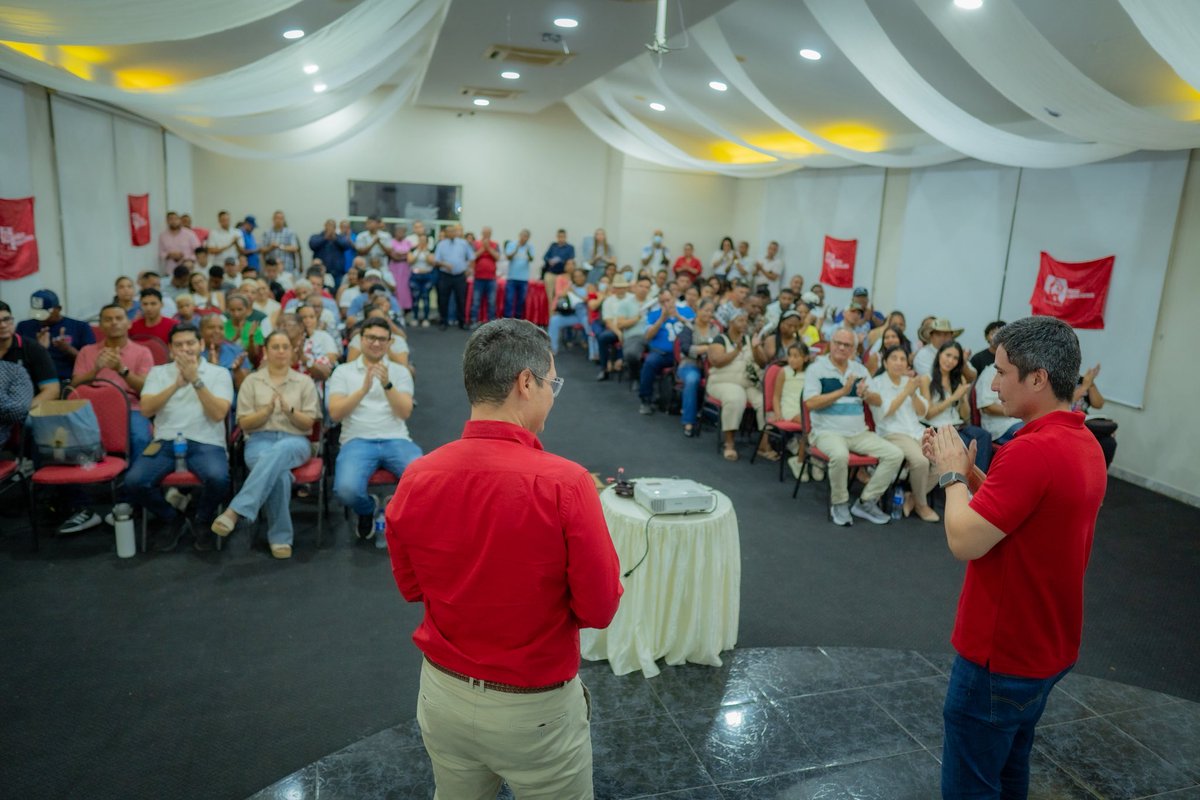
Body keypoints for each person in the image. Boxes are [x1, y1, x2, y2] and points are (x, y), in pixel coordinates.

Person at [385, 318, 621, 799]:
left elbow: (411, 588)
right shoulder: (566, 483)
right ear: (526, 383)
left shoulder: (417, 476)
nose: (552, 396)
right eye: (552, 383)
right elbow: (599, 609)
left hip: (443, 694)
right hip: (533, 709)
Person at [923, 316, 1107, 799]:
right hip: (1044, 643)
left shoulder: (1032, 451)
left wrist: (950, 476)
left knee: (972, 785)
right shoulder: (1082, 440)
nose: (993, 384)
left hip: (1002, 652)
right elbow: (1022, 513)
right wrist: (971, 474)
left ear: (1038, 378)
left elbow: (964, 540)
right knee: (1008, 769)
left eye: (1002, 372)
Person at [211, 331, 320, 559]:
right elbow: (244, 424)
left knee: (281, 451)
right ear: (266, 351)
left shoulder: (304, 382)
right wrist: (267, 411)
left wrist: (289, 410)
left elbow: (309, 424)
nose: (281, 351)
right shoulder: (252, 381)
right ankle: (280, 538)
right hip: (259, 440)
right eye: (275, 347)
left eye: (285, 347)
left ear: (292, 351)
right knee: (279, 474)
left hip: (295, 441)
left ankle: (236, 510)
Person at [126, 323, 233, 552]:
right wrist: (176, 385)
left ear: (201, 345)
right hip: (164, 441)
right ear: (171, 349)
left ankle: (201, 518)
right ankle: (171, 517)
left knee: (218, 479)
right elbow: (146, 409)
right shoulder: (158, 373)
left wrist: (196, 380)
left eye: (190, 343)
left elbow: (218, 414)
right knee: (134, 482)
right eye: (179, 345)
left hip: (206, 441)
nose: (185, 349)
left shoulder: (219, 373)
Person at [327, 318, 421, 541]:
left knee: (424, 481)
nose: (376, 343)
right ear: (361, 340)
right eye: (371, 338)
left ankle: (394, 507)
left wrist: (387, 384)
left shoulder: (400, 372)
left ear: (389, 342)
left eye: (381, 339)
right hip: (356, 440)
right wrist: (363, 390)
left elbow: (405, 412)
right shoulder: (343, 372)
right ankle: (367, 509)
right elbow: (335, 414)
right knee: (346, 490)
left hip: (396, 439)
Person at [804, 328, 904, 526]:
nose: (841, 347)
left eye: (847, 345)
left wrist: (866, 395)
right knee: (840, 455)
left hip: (858, 433)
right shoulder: (816, 369)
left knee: (895, 454)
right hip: (826, 432)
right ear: (830, 344)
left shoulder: (860, 370)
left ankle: (866, 502)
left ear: (853, 349)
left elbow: (878, 400)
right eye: (838, 343)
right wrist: (843, 391)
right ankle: (839, 503)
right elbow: (810, 403)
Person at [71, 302, 154, 461]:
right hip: (92, 407)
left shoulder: (142, 352)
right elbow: (74, 388)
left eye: (119, 318)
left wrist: (122, 370)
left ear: (129, 323)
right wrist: (96, 370)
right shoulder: (87, 351)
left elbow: (146, 389)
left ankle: (135, 475)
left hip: (130, 406)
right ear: (100, 326)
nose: (114, 323)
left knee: (140, 438)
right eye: (108, 319)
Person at [868, 346, 939, 522]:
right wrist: (906, 392)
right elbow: (885, 413)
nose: (899, 362)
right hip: (892, 432)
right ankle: (921, 505)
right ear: (885, 362)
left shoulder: (908, 382)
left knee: (946, 458)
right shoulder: (876, 383)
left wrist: (913, 394)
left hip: (916, 431)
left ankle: (913, 498)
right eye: (894, 358)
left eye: (902, 359)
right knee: (921, 461)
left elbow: (922, 412)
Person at [705, 311, 770, 461]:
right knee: (735, 398)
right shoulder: (720, 339)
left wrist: (756, 348)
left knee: (764, 402)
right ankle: (729, 443)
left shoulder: (750, 339)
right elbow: (716, 361)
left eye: (746, 321)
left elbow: (763, 363)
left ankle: (763, 444)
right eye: (740, 320)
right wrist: (736, 351)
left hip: (748, 383)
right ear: (730, 323)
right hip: (722, 382)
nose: (744, 324)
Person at [924, 341, 993, 471]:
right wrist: (953, 397)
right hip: (937, 427)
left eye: (955, 358)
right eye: (948, 355)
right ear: (939, 354)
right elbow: (928, 414)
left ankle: (978, 480)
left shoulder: (959, 378)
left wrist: (962, 398)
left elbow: (965, 416)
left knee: (984, 436)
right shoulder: (926, 379)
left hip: (958, 425)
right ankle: (962, 479)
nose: (950, 361)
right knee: (964, 444)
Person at [637, 288, 695, 416]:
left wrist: (678, 317)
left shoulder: (686, 311)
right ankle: (646, 400)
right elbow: (647, 336)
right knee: (649, 363)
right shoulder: (653, 314)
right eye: (662, 302)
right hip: (662, 354)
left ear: (674, 299)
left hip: (685, 354)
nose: (666, 304)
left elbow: (696, 329)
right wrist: (661, 319)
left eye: (668, 300)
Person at [16, 289, 94, 384]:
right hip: (32, 382)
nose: (40, 318)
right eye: (37, 313)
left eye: (44, 314)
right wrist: (37, 349)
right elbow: (16, 361)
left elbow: (90, 364)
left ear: (59, 309)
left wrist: (68, 349)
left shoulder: (80, 327)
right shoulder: (24, 326)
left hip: (66, 381)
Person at [677, 298, 720, 437]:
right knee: (692, 379)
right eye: (706, 310)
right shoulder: (689, 327)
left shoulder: (715, 329)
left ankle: (714, 417)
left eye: (712, 311)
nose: (709, 314)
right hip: (690, 364)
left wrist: (708, 350)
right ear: (698, 310)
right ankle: (688, 421)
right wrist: (706, 348)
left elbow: (720, 348)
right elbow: (685, 348)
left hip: (711, 365)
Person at [1071, 363, 1116, 467]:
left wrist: (1090, 384)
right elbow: (1065, 402)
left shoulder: (1083, 380)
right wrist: (1084, 387)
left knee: (1109, 442)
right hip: (1070, 422)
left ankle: (1099, 473)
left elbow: (1099, 404)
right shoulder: (1060, 381)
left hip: (1085, 422)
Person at [595, 276, 638, 380]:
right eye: (618, 287)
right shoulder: (608, 301)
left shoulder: (633, 298)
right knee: (602, 338)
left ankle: (629, 367)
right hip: (615, 329)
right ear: (614, 288)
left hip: (632, 327)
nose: (620, 290)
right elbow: (608, 321)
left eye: (622, 287)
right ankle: (604, 368)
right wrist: (618, 332)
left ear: (626, 288)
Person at [434, 224, 475, 330]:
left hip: (460, 276)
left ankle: (462, 322)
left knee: (461, 299)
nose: (451, 233)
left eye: (453, 231)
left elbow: (471, 257)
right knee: (443, 299)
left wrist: (469, 270)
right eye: (449, 231)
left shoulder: (463, 243)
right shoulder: (441, 244)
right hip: (445, 276)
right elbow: (436, 261)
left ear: (456, 232)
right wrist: (444, 264)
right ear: (446, 233)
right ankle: (443, 322)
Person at [976, 361, 1024, 446]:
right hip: (1001, 426)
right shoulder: (989, 373)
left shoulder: (1020, 369)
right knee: (1031, 435)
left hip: (1020, 420)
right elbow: (987, 408)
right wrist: (1019, 411)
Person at [199, 314, 250, 391]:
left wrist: (237, 371)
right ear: (201, 331)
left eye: (221, 328)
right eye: (211, 327)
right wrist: (211, 369)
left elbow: (246, 389)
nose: (217, 331)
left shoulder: (237, 352)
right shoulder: (194, 354)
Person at [546, 268, 590, 356]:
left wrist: (574, 292)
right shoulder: (571, 286)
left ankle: (594, 352)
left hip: (586, 315)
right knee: (554, 320)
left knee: (589, 325)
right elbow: (561, 295)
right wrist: (569, 286)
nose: (578, 278)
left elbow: (587, 300)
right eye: (576, 277)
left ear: (584, 277)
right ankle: (552, 349)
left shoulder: (589, 286)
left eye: (580, 276)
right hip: (573, 315)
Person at [470, 226, 500, 327]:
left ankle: (492, 323)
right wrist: (483, 248)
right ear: (482, 233)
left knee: (492, 301)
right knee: (476, 301)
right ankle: (474, 320)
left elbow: (497, 257)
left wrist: (489, 248)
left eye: (488, 233)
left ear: (491, 234)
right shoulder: (476, 244)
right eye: (485, 233)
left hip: (491, 278)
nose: (486, 235)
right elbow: (472, 256)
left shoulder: (495, 244)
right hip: (478, 277)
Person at [309, 218, 352, 288]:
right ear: (325, 226)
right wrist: (325, 238)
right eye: (329, 226)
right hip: (321, 272)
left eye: (333, 226)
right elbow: (312, 245)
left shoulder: (339, 237)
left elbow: (346, 245)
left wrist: (335, 238)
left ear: (335, 228)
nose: (330, 228)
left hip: (337, 272)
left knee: (337, 290)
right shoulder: (316, 236)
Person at [504, 229, 535, 319]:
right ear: (519, 235)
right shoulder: (511, 244)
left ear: (528, 238)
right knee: (509, 300)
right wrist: (516, 249)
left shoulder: (530, 247)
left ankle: (517, 320)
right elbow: (508, 257)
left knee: (521, 301)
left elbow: (531, 259)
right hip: (512, 278)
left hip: (523, 279)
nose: (524, 238)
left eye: (526, 236)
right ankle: (507, 319)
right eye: (522, 235)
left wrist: (528, 252)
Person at [260, 210, 302, 276]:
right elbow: (262, 250)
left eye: (281, 218)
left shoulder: (290, 232)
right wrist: (270, 247)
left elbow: (295, 248)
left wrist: (279, 246)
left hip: (287, 267)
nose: (278, 220)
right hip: (271, 269)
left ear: (284, 220)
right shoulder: (267, 233)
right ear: (273, 219)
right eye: (277, 218)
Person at [541, 228, 575, 306]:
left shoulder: (570, 248)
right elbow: (545, 257)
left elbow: (571, 259)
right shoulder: (553, 246)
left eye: (563, 236)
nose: (561, 238)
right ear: (557, 237)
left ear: (565, 237)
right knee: (550, 297)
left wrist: (560, 260)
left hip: (563, 275)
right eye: (559, 236)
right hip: (551, 273)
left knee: (561, 295)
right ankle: (551, 312)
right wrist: (549, 261)